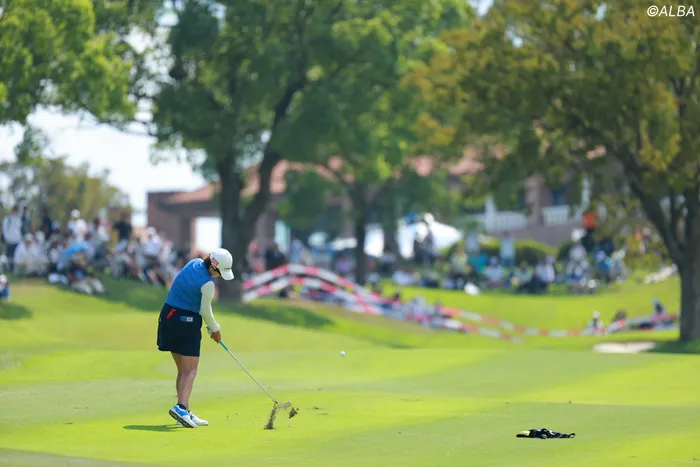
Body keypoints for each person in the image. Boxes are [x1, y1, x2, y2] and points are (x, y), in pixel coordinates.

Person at [157, 248, 234, 428]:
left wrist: (210, 327)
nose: (219, 276)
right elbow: (205, 311)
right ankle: (181, 408)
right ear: (214, 267)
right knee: (190, 371)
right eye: (220, 272)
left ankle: (184, 412)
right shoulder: (208, 285)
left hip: (168, 317)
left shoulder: (193, 263)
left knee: (183, 371)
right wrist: (215, 330)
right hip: (187, 323)